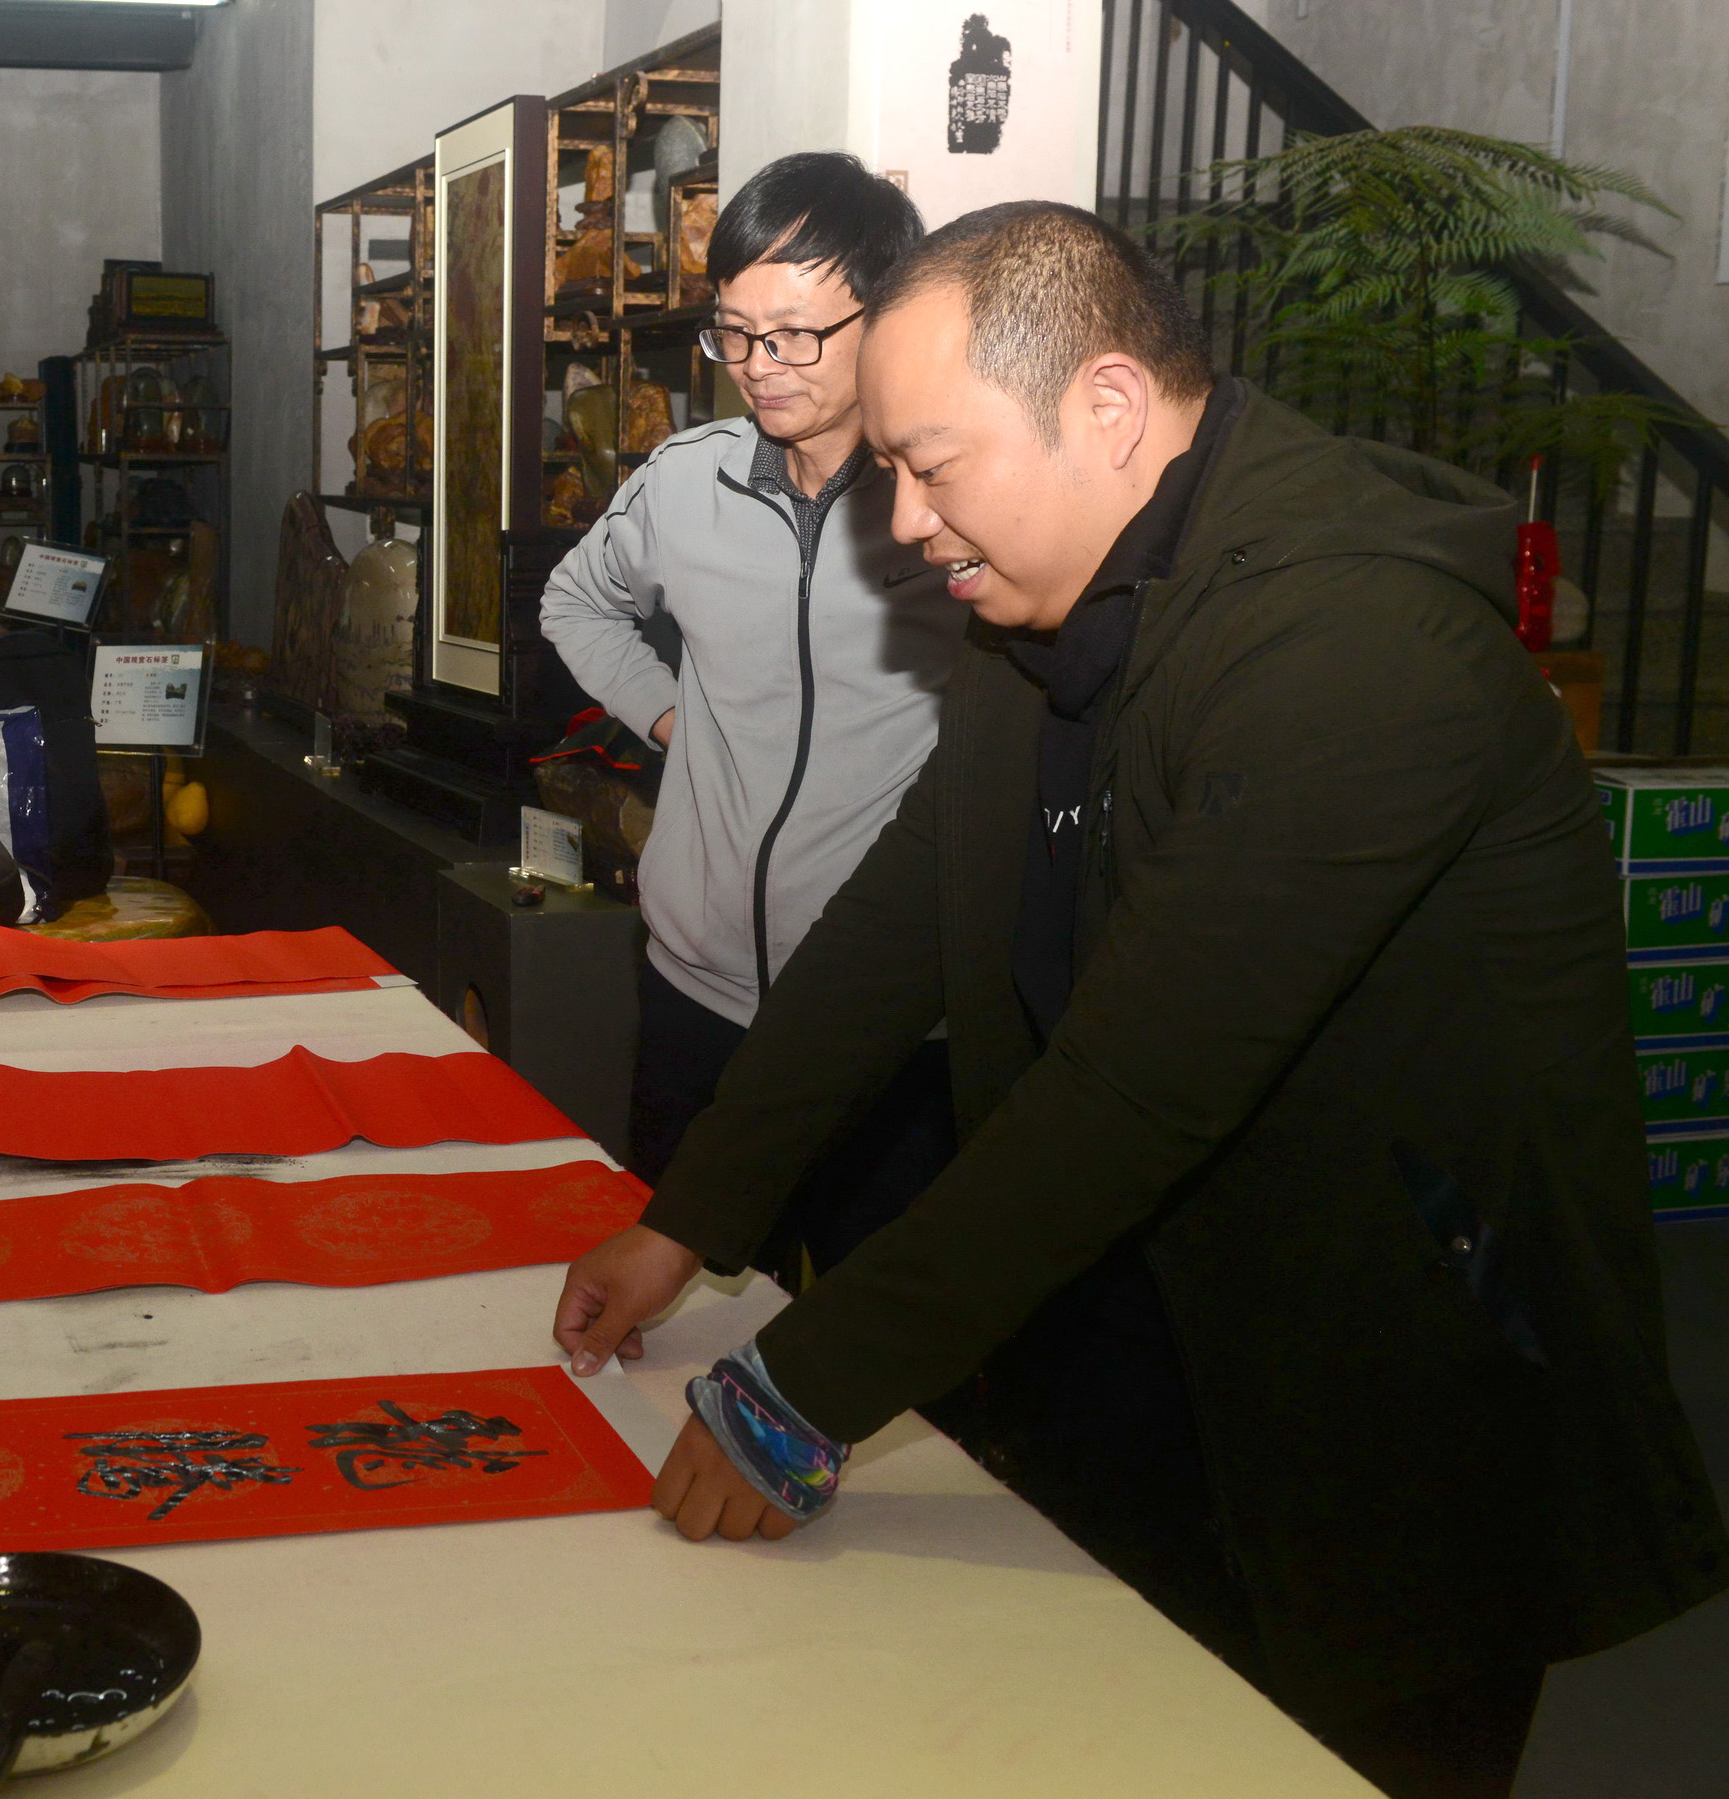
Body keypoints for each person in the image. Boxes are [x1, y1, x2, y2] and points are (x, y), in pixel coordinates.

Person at [551, 203, 1727, 1798]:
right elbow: (897, 930)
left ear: (1105, 407)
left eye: (930, 464)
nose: (902, 522)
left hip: (1382, 1393)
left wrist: (798, 1389)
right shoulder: (1047, 600)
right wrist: (692, 1216)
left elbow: (1135, 1088)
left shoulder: (1353, 648)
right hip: (1140, 1347)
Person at [541, 153, 963, 1271]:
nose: (758, 369)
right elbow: (574, 601)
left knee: (879, 1339)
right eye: (733, 334)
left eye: (795, 336)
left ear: (887, 317)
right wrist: (670, 717)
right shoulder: (690, 480)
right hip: (696, 995)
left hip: (891, 1028)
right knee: (675, 1312)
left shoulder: (950, 497)